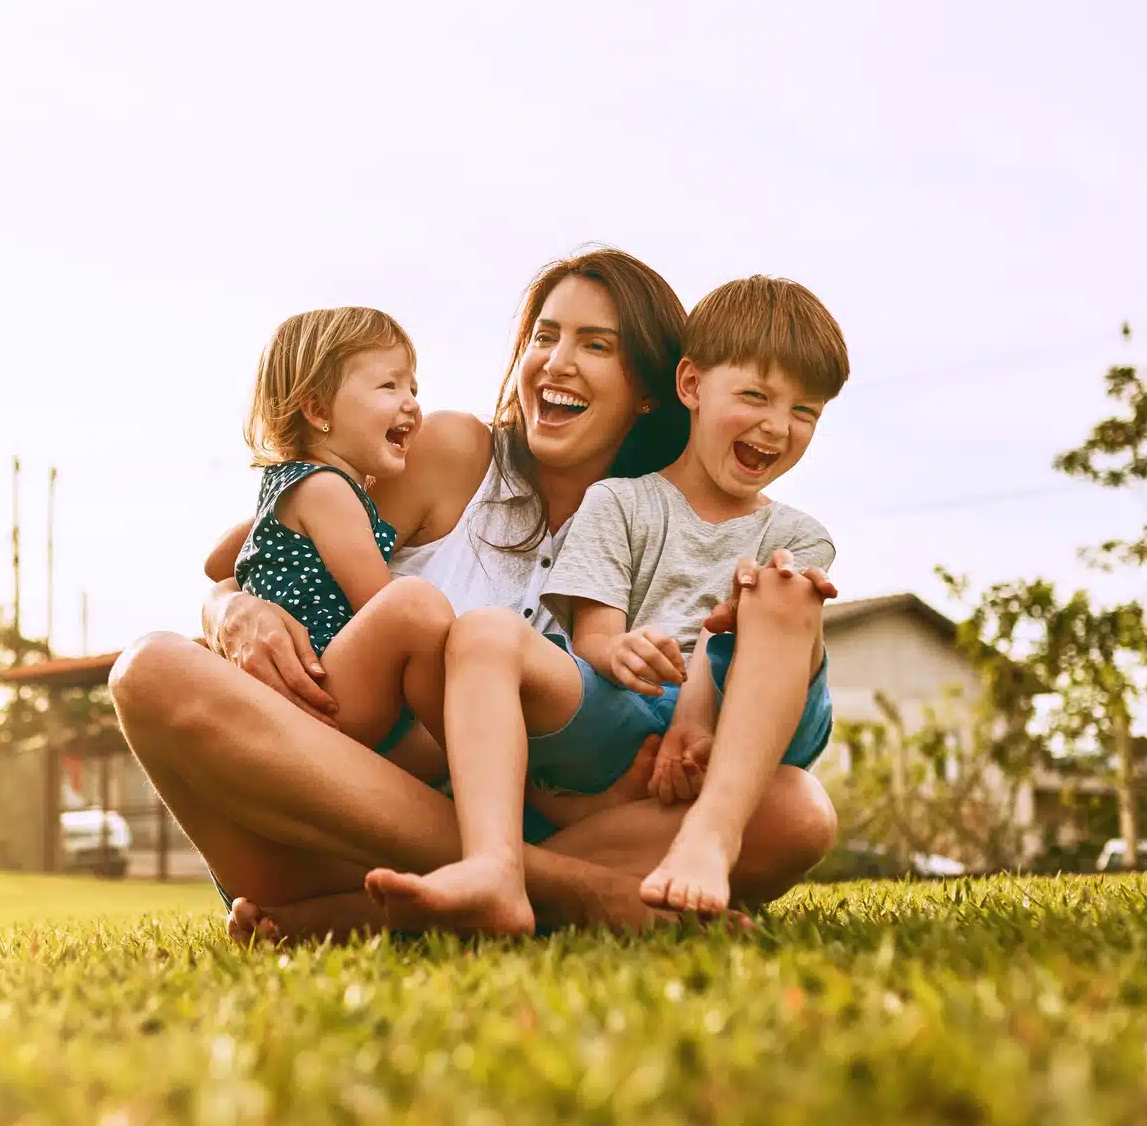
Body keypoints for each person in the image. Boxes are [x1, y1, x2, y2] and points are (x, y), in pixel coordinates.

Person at [109, 249, 840, 941]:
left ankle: (408, 902)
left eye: (595, 345)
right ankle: (569, 892)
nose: (556, 362)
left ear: (652, 390)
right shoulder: (452, 454)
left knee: (795, 812)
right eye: (544, 336)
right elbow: (271, 542)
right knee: (149, 670)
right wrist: (234, 610)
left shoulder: (668, 528)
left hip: (535, 826)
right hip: (320, 819)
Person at [363, 276, 847, 935]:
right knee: (483, 633)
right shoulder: (619, 502)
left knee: (781, 592)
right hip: (634, 710)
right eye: (756, 396)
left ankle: (709, 838)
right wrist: (616, 649)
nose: (775, 425)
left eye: (804, 412)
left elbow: (748, 647)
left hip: (751, 719)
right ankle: (494, 869)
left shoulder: (796, 535)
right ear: (691, 386)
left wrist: (700, 715)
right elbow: (593, 636)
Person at [228, 305, 451, 781]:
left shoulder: (285, 485)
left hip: (306, 696)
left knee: (451, 759)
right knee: (418, 609)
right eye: (389, 386)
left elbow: (216, 563)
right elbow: (381, 605)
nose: (411, 402)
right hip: (325, 689)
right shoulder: (329, 490)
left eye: (413, 387)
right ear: (318, 410)